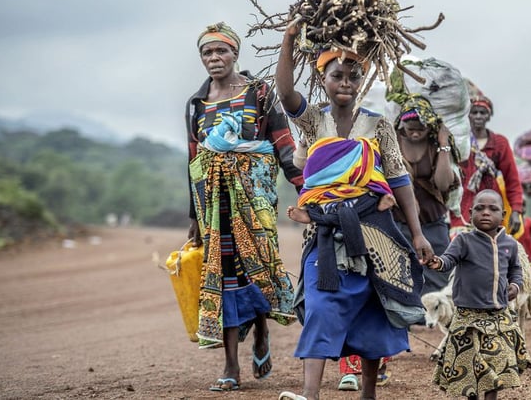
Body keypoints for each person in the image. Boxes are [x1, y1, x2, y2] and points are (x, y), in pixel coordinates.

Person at [275, 23, 434, 400]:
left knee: (373, 306)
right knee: (319, 304)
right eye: (336, 76)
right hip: (325, 232)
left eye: (353, 76)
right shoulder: (313, 119)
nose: (345, 82)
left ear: (361, 81)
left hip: (373, 227)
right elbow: (284, 92)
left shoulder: (378, 124)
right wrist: (289, 38)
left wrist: (417, 233)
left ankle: (368, 394)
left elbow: (398, 180)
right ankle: (310, 395)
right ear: (323, 79)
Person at [185, 22, 304, 391]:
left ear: (235, 54)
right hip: (214, 205)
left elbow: (284, 143)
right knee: (223, 277)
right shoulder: (197, 104)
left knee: (258, 268)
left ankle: (263, 331)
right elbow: (193, 160)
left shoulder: (260, 93)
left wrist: (306, 193)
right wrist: (194, 217)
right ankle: (231, 366)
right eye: (207, 53)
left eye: (221, 51)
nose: (214, 58)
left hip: (256, 201)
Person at [427, 189, 531, 400]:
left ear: (503, 215)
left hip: (497, 317)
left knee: (495, 363)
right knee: (469, 365)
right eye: (480, 208)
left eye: (492, 209)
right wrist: (437, 262)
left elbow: (516, 270)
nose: (485, 213)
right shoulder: (463, 241)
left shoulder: (509, 244)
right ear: (470, 211)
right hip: (468, 318)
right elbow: (448, 260)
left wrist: (516, 286)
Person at [393, 94, 460, 295]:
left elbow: (443, 183)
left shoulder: (435, 145)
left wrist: (443, 145)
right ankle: (409, 316)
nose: (415, 134)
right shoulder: (391, 142)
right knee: (401, 272)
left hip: (432, 221)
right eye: (410, 129)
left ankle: (434, 316)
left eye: (420, 129)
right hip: (399, 220)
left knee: (438, 270)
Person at [450, 97, 524, 238]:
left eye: (483, 113)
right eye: (474, 112)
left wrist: (516, 211)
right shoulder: (459, 141)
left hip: (491, 209)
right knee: (459, 249)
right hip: (462, 208)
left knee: (490, 252)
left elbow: (512, 180)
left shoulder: (499, 144)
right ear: (468, 115)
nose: (478, 116)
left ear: (489, 116)